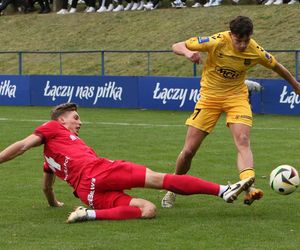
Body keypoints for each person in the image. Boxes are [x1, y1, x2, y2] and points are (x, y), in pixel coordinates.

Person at [0, 103, 254, 223]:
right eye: (75, 118)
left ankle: (86, 215)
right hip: (98, 171)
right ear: (62, 121)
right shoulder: (52, 127)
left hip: (87, 194)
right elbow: (23, 145)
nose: (80, 123)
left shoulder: (52, 156)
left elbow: (47, 187)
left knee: (148, 210)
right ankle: (223, 190)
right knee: (158, 179)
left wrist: (53, 202)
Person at [161, 15, 300, 208]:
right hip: (209, 98)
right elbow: (177, 45)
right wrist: (187, 53)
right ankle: (172, 186)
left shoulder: (255, 51)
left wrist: (295, 85)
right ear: (231, 34)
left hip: (236, 98)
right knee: (189, 151)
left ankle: (249, 185)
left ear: (251, 36)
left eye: (246, 40)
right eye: (238, 41)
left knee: (242, 140)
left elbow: (277, 67)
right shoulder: (216, 41)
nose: (243, 45)